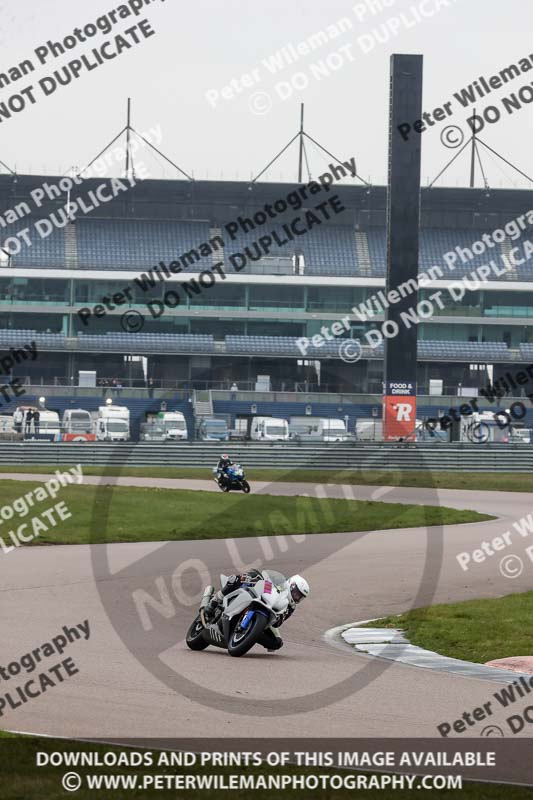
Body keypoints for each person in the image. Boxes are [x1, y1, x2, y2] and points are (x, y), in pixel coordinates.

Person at [206, 570, 310, 651]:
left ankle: (249, 634)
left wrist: (259, 629)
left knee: (277, 643)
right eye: (297, 594)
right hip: (258, 594)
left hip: (269, 613)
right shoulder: (280, 583)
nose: (297, 598)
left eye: (300, 597)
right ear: (292, 585)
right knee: (238, 578)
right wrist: (256, 578)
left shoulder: (291, 607)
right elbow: (266, 576)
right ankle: (215, 600)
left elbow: (278, 624)